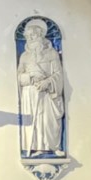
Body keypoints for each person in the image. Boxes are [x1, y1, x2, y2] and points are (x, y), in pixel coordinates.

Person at [18, 17, 65, 156]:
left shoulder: (52, 53)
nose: (31, 39)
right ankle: (35, 147)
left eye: (33, 36)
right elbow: (19, 77)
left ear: (40, 36)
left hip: (47, 92)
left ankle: (51, 147)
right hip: (31, 92)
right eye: (28, 37)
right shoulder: (24, 57)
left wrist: (47, 82)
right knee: (34, 120)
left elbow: (58, 74)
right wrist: (30, 78)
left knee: (47, 121)